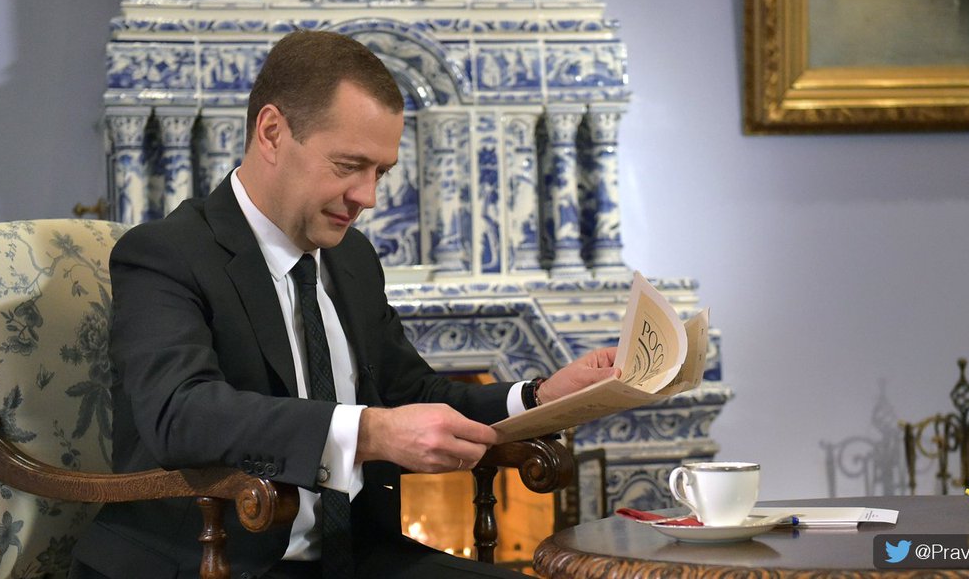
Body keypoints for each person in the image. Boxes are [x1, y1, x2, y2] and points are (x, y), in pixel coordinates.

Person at [70, 30, 619, 579]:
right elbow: (180, 413)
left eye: (380, 172)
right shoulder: (166, 253)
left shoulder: (351, 257)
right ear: (272, 132)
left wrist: (541, 397)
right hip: (215, 561)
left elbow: (415, 395)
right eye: (348, 165)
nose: (368, 197)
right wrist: (372, 433)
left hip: (358, 556)